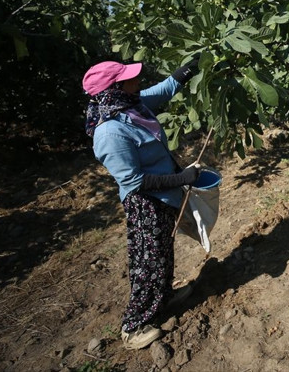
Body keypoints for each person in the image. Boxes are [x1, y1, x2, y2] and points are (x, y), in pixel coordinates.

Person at [82, 58, 201, 350]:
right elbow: (133, 181)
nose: (136, 81)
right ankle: (133, 326)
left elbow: (162, 90)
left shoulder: (131, 103)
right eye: (128, 78)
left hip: (163, 196)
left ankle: (163, 297)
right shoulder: (109, 132)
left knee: (163, 251)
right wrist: (182, 178)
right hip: (145, 203)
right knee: (149, 262)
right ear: (115, 88)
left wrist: (186, 70)